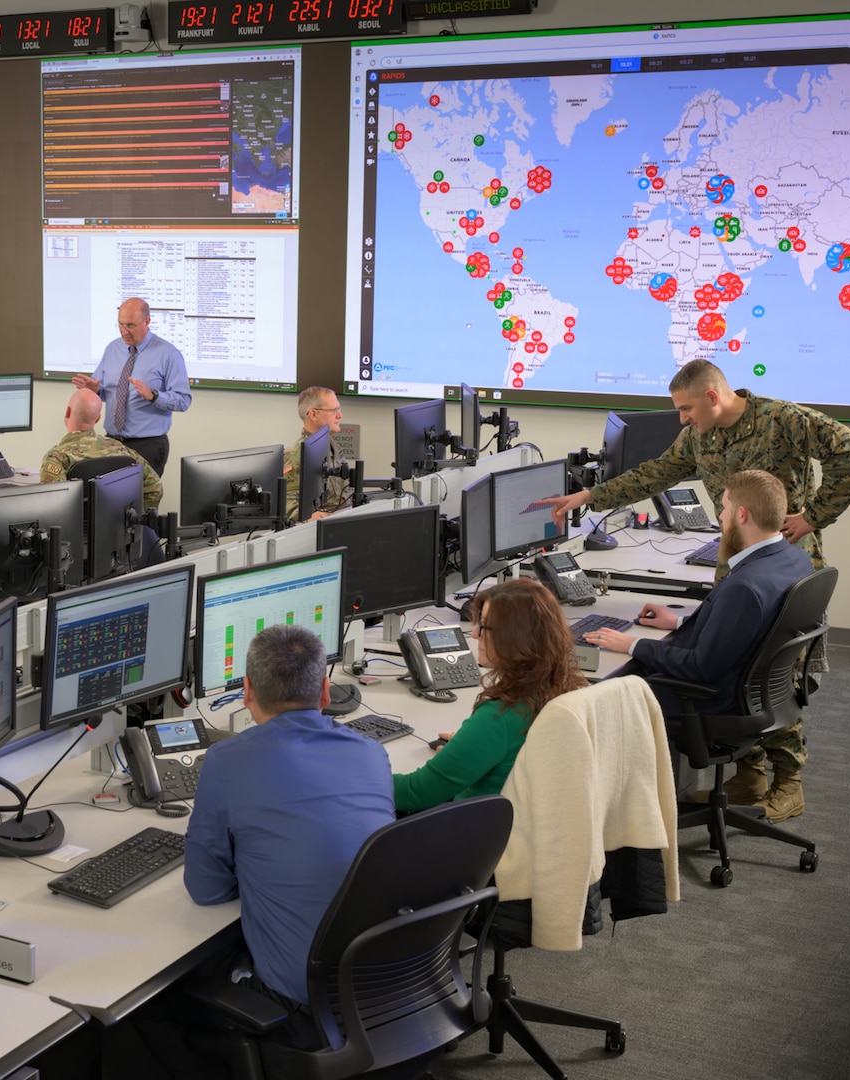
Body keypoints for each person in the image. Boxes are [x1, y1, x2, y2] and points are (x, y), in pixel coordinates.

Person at [537, 360, 850, 822]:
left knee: (773, 670)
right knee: (738, 666)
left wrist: (815, 515)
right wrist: (587, 498)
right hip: (737, 559)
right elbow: (656, 473)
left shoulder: (782, 419)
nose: (682, 419)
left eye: (687, 408)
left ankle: (789, 781)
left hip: (784, 555)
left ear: (713, 396)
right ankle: (748, 776)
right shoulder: (700, 436)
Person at [185, 624, 396, 1048]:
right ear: (324, 691)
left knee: (150, 1010)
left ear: (247, 691)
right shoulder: (371, 751)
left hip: (303, 1009)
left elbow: (206, 890)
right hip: (387, 985)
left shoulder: (227, 761)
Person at [584, 470, 814, 784]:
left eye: (724, 508)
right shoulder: (794, 558)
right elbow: (748, 629)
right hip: (757, 692)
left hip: (714, 697)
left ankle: (627, 808)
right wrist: (678, 622)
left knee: (595, 695)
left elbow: (699, 669)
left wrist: (632, 645)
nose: (720, 516)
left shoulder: (745, 586)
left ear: (742, 514)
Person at [394, 578, 588, 813]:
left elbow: (414, 793)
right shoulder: (563, 689)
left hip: (476, 838)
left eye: (483, 626)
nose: (475, 634)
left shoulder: (500, 717)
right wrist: (467, 751)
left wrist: (352, 775)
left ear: (514, 637)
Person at [72, 297, 190, 476]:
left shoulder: (168, 354)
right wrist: (94, 389)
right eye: (120, 324)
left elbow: (183, 400)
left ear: (147, 321)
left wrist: (153, 396)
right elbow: (105, 391)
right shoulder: (113, 349)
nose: (124, 331)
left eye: (130, 325)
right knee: (109, 501)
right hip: (111, 443)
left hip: (147, 445)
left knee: (141, 501)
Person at [40, 388, 163, 512]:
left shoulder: (58, 457)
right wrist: (134, 522)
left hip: (76, 530)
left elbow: (51, 503)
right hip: (120, 529)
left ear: (67, 412)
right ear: (98, 418)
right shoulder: (120, 449)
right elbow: (155, 488)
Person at [283, 386, 351, 523]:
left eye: (339, 408)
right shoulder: (296, 455)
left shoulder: (333, 447)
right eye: (333, 410)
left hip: (342, 520)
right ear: (313, 414)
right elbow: (286, 502)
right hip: (320, 530)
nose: (340, 415)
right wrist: (309, 517)